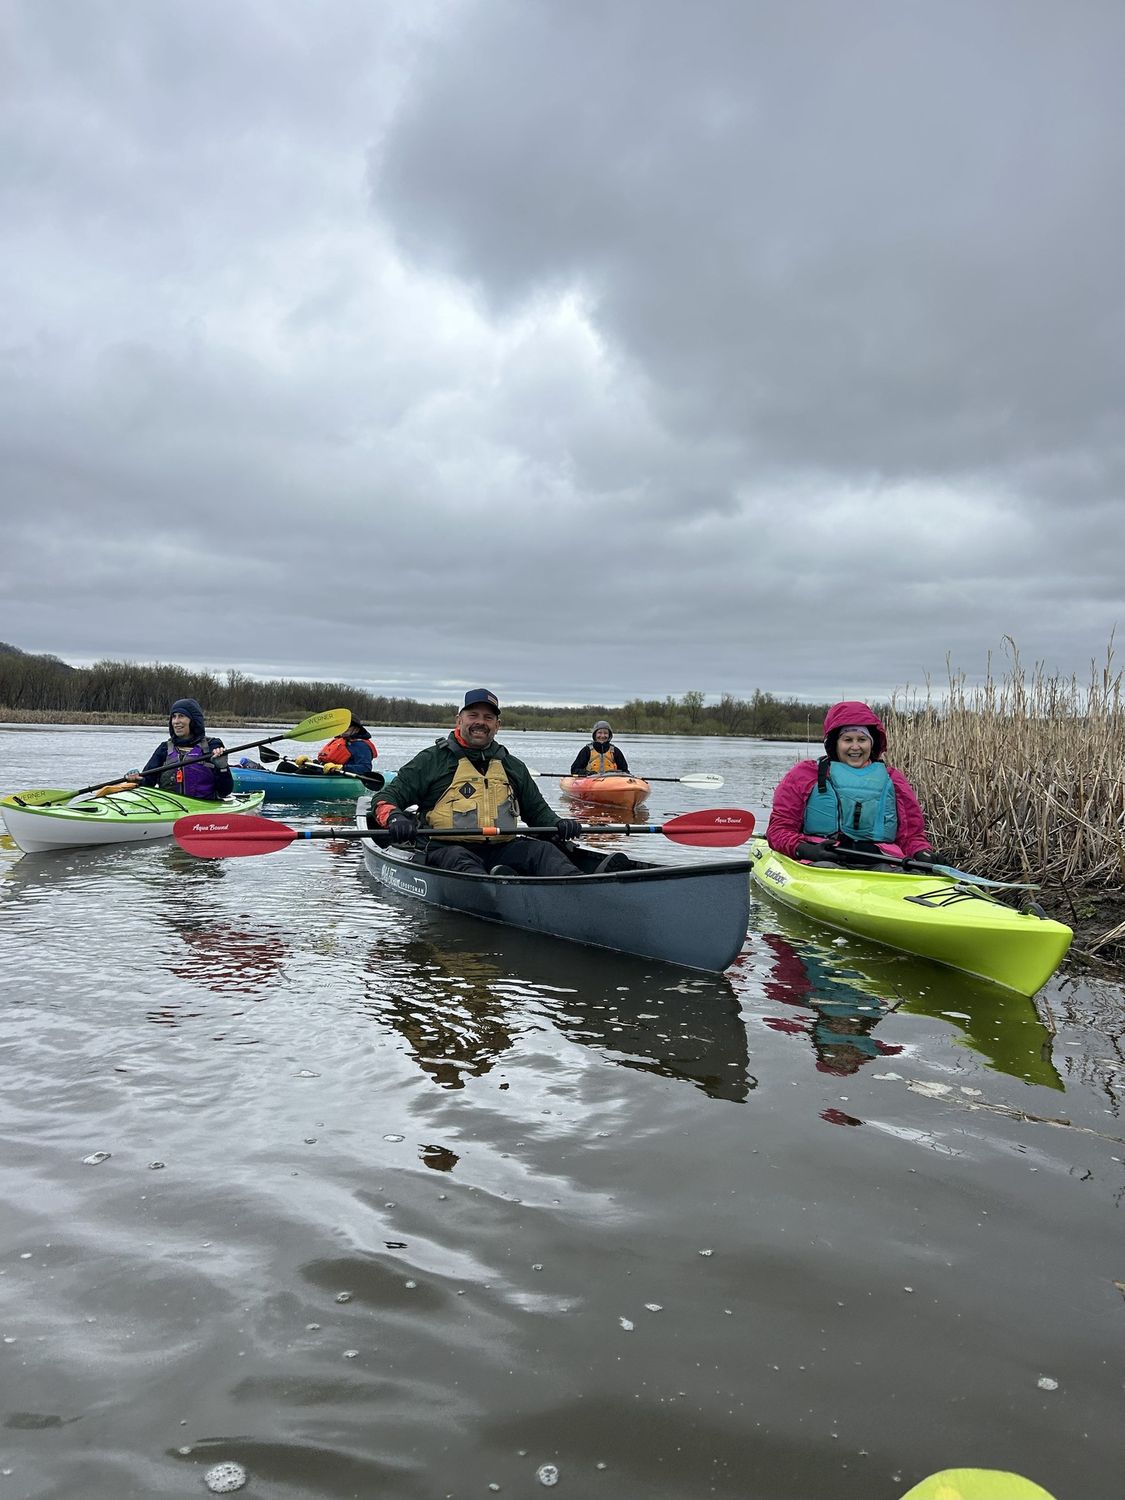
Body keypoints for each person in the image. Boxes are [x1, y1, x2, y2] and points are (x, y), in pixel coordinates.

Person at [371, 688, 608, 877]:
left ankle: (583, 887)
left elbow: (537, 812)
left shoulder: (512, 765)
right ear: (459, 720)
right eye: (473, 715)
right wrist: (395, 818)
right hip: (445, 850)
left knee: (542, 851)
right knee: (461, 861)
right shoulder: (431, 760)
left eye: (488, 717)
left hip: (501, 849)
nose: (480, 722)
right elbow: (384, 799)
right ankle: (496, 888)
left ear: (497, 725)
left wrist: (559, 823)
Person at [766, 700, 937, 866]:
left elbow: (911, 836)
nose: (855, 747)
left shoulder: (893, 779)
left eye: (862, 740)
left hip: (880, 861)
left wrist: (921, 852)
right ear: (835, 743)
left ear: (872, 743)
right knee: (826, 867)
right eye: (847, 740)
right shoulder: (805, 774)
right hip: (820, 861)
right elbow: (779, 829)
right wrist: (804, 850)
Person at [126, 698, 233, 801]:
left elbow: (225, 792)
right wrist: (136, 779)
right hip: (171, 808)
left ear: (193, 720)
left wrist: (222, 768)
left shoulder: (212, 746)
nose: (176, 722)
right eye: (174, 717)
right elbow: (147, 783)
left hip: (204, 807)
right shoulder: (164, 748)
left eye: (181, 716)